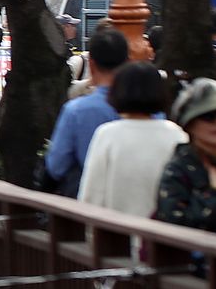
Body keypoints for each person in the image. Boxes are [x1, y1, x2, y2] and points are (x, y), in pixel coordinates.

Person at [78, 63, 186, 217]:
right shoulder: (176, 134)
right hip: (165, 230)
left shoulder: (107, 134)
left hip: (115, 228)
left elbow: (91, 194)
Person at [42, 28, 130, 197]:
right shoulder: (152, 114)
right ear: (128, 62)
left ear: (92, 64)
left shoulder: (76, 111)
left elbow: (56, 166)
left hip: (85, 201)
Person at [156, 78, 216, 233]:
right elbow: (175, 224)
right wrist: (213, 193)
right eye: (208, 116)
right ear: (189, 124)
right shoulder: (178, 170)